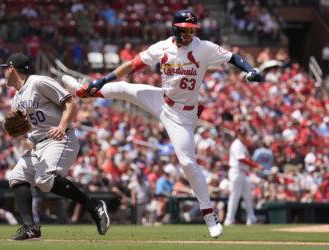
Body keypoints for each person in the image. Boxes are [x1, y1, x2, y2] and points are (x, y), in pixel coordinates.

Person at [61, 9, 263, 238]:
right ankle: (83, 90)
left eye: (192, 30)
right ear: (175, 29)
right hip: (162, 100)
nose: (189, 34)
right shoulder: (163, 47)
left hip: (183, 116)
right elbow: (132, 65)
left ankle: (210, 215)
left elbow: (233, 57)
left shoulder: (203, 47)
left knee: (187, 163)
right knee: (123, 89)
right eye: (185, 30)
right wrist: (102, 79)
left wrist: (251, 70)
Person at [0, 53, 110, 241]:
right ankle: (30, 228)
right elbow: (26, 129)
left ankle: (93, 205)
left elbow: (70, 102)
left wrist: (61, 126)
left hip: (59, 137)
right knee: (17, 177)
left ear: (12, 68)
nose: (3, 72)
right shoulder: (16, 99)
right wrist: (17, 132)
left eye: (5, 68)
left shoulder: (38, 82)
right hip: (38, 144)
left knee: (44, 180)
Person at [224, 126, 262, 226]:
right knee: (234, 196)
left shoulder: (242, 145)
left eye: (244, 134)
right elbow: (241, 159)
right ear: (238, 134)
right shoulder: (236, 144)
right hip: (236, 172)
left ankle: (252, 219)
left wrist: (253, 166)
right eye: (241, 134)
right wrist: (256, 165)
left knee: (248, 196)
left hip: (242, 173)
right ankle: (229, 220)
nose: (243, 135)